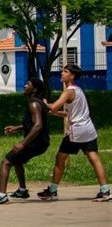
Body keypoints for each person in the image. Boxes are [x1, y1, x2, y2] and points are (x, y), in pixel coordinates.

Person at [38, 64, 110, 202]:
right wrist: (53, 112)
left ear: (72, 76)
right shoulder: (78, 90)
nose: (61, 73)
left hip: (77, 130)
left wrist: (45, 104)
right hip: (88, 128)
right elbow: (67, 113)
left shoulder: (68, 91)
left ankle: (52, 191)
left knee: (60, 158)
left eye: (65, 72)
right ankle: (105, 190)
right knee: (94, 159)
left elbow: (53, 107)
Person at [0, 78, 50, 205]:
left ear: (35, 89)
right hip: (40, 142)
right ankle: (22, 190)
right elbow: (32, 124)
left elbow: (38, 126)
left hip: (36, 143)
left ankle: (2, 196)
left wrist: (23, 143)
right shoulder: (37, 102)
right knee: (17, 160)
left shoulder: (34, 104)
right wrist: (16, 128)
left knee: (6, 162)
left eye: (28, 84)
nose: (24, 86)